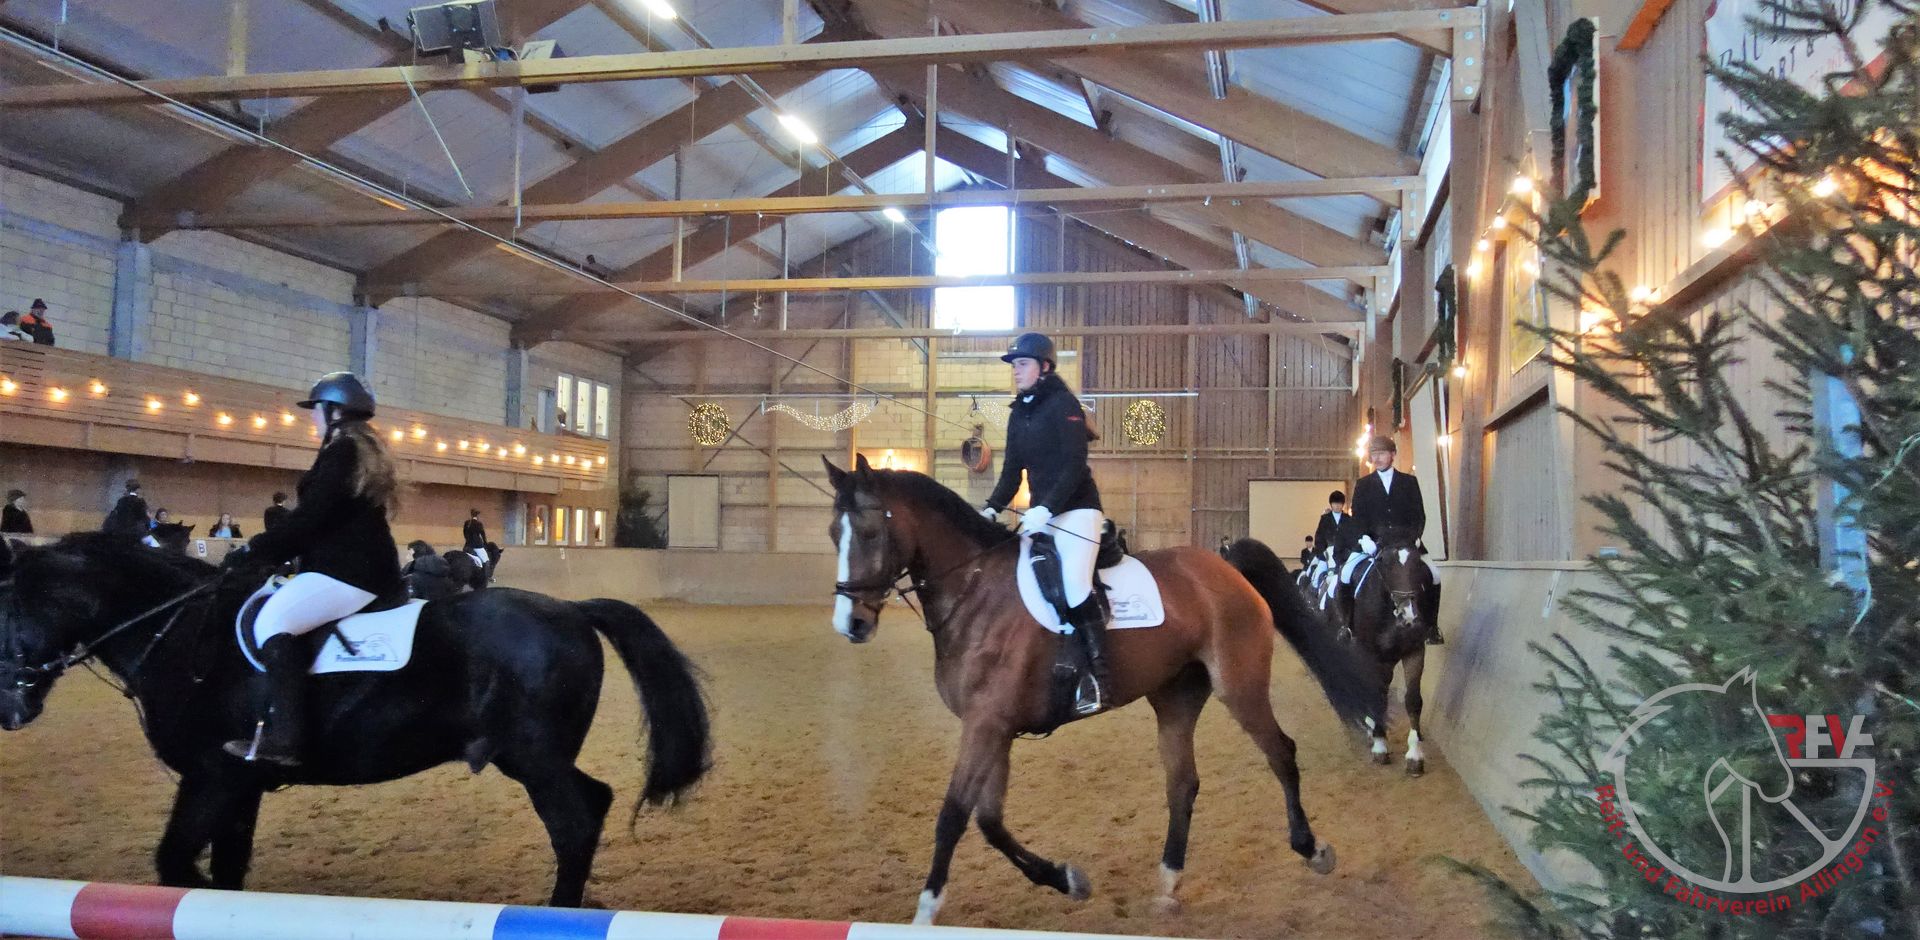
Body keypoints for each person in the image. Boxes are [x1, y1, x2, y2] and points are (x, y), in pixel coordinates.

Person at [222, 371, 402, 766]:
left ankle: (287, 739)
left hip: (348, 572)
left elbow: (312, 517)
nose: (312, 417)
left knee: (271, 623)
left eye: (316, 410)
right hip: (358, 567)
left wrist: (254, 550)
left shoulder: (342, 452)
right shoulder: (353, 449)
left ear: (333, 410)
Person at [980, 331, 1109, 714]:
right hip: (1042, 514)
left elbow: (1074, 465)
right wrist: (991, 509)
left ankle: (1098, 677)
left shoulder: (1064, 405)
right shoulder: (1019, 413)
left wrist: (1048, 507)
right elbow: (1011, 472)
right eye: (1014, 365)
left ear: (1045, 366)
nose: (1016, 371)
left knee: (1074, 584)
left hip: (1078, 511)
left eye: (1022, 364)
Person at [1339, 435, 1442, 644]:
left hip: (1405, 543)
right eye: (1374, 454)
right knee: (1346, 574)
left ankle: (1432, 626)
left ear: (1393, 454)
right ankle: (1347, 626)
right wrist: (1364, 539)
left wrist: (1415, 537)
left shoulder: (1409, 482)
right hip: (1373, 543)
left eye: (1382, 454)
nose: (1377, 458)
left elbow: (1419, 515)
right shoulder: (1363, 484)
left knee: (1434, 574)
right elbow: (1357, 516)